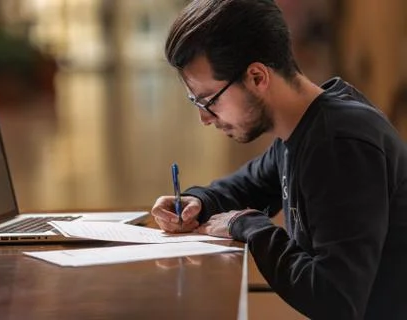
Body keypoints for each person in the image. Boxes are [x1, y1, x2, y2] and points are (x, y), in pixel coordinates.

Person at [150, 0, 407, 319]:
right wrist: (196, 202)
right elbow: (244, 187)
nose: (205, 118)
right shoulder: (304, 129)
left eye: (209, 100)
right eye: (195, 101)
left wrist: (248, 226)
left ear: (257, 77)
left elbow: (336, 301)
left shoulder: (339, 143)